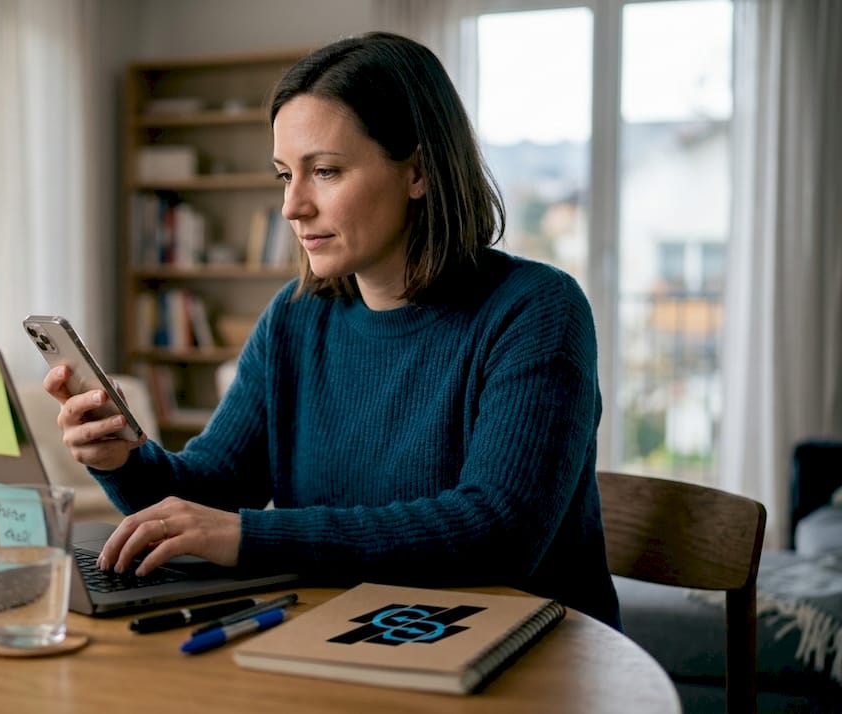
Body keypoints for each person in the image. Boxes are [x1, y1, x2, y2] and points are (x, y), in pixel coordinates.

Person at [44, 31, 620, 628]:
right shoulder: (296, 317)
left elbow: (498, 532)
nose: (292, 206)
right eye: (283, 175)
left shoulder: (536, 310)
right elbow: (207, 495)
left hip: (525, 653)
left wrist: (248, 535)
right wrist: (123, 460)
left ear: (418, 172)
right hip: (351, 636)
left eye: (324, 171)